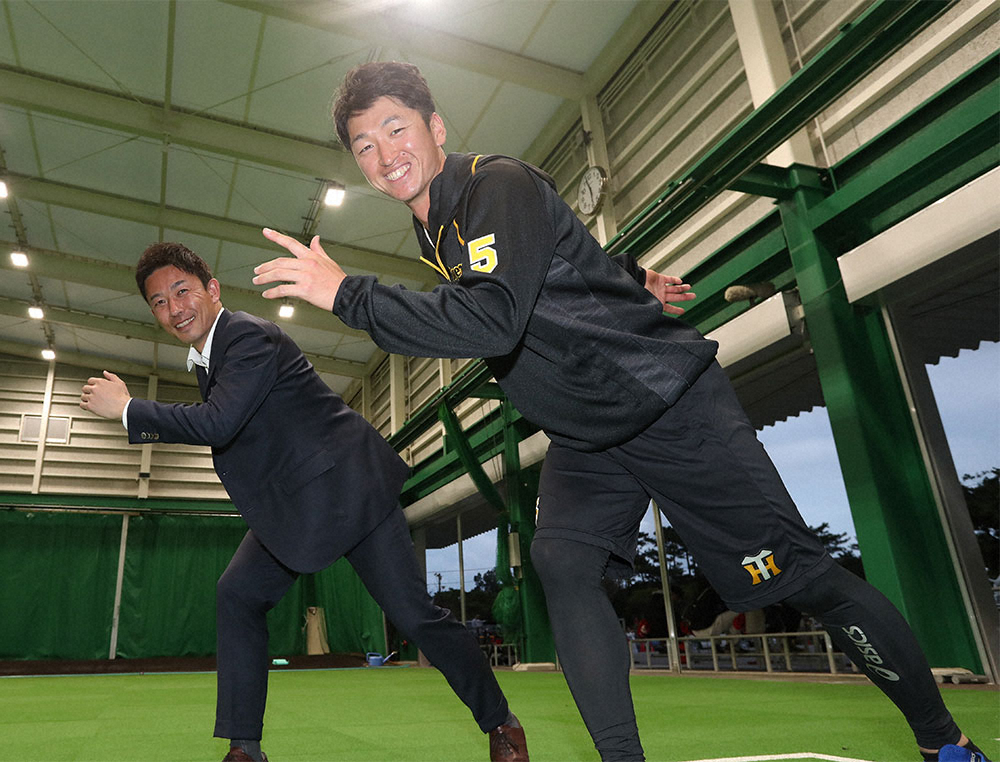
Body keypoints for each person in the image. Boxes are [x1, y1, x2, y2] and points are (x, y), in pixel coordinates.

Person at [252, 61, 991, 762]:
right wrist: (627, 275)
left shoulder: (494, 184)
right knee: (562, 561)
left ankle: (944, 740)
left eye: (396, 129)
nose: (385, 154)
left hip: (667, 406)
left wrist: (346, 294)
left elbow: (496, 319)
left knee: (802, 580)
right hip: (589, 431)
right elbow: (546, 258)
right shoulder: (436, 228)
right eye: (365, 145)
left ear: (435, 127)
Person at [79, 242, 529, 762]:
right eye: (159, 302)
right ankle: (244, 750)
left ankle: (501, 723)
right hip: (296, 505)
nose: (174, 308)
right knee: (237, 595)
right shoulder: (207, 360)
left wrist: (129, 409)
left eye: (182, 291)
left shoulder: (246, 335)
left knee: (415, 616)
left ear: (212, 289)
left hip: (349, 491)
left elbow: (220, 423)